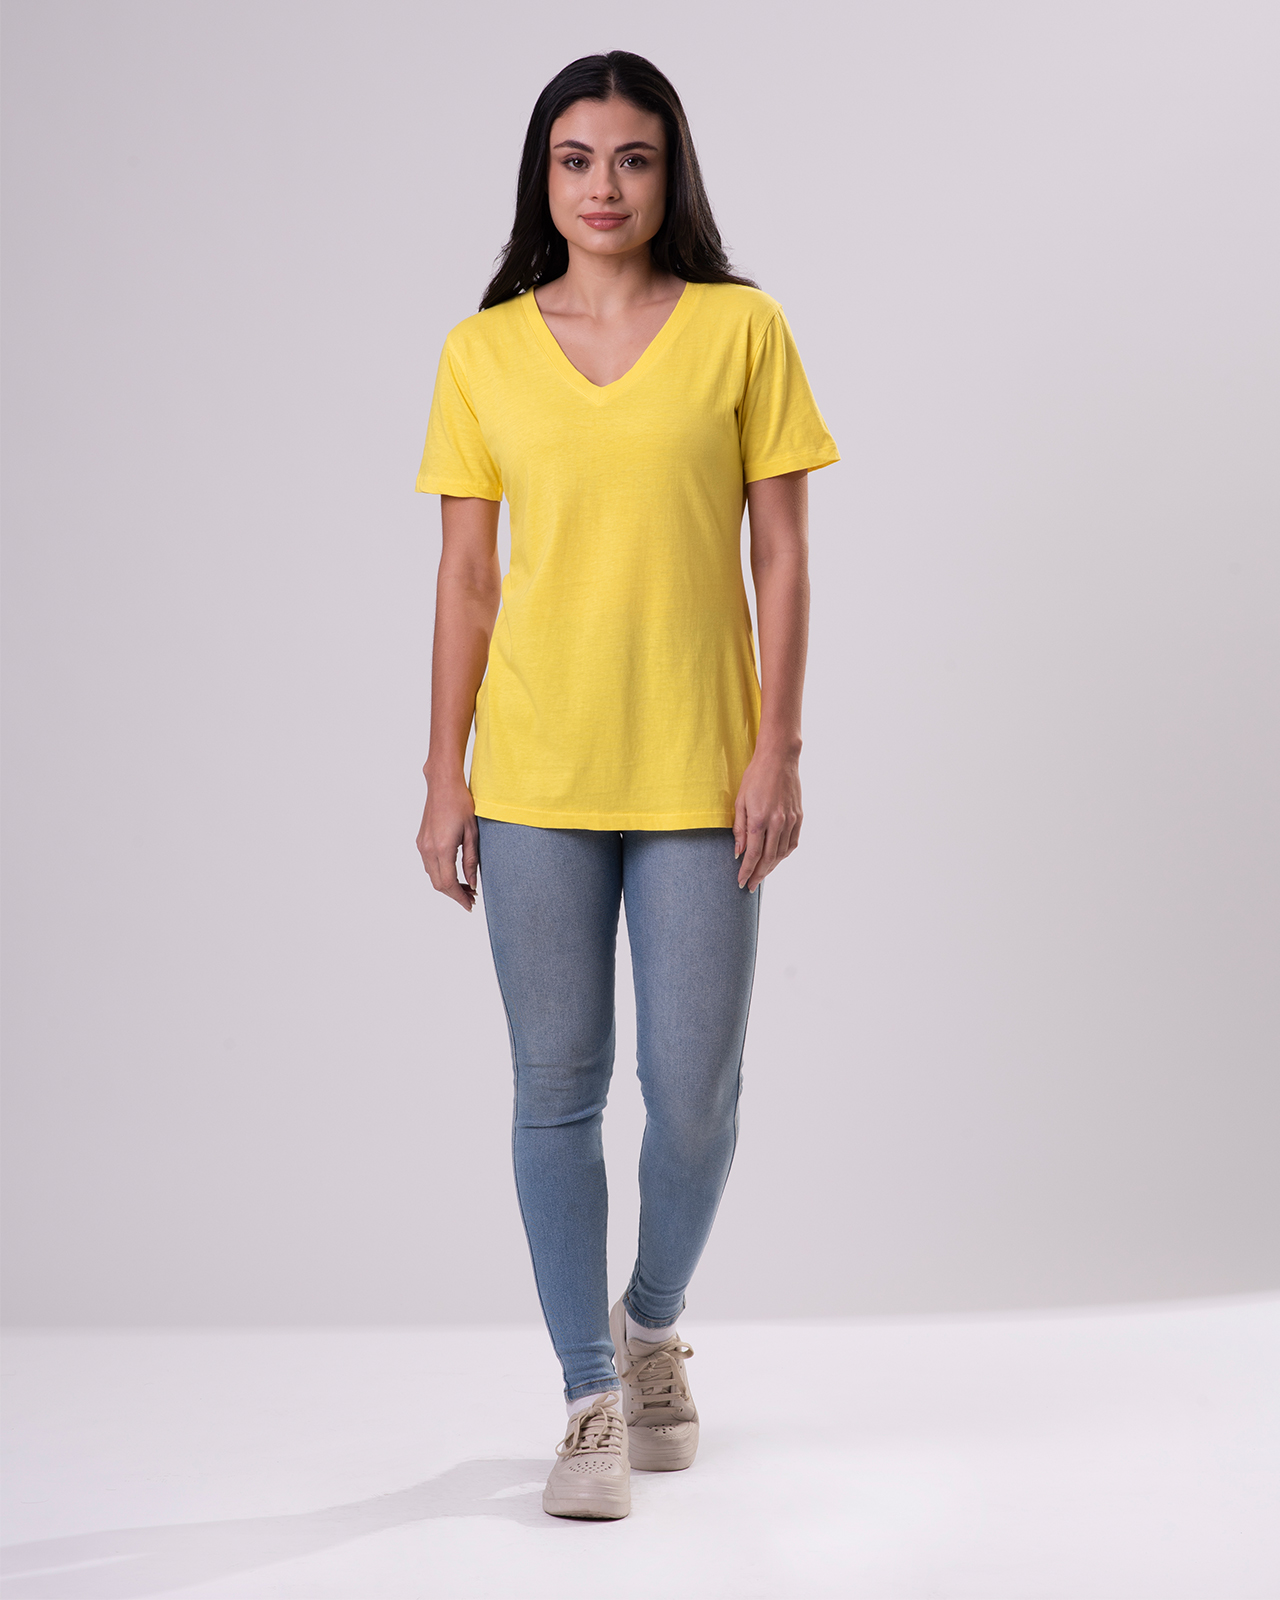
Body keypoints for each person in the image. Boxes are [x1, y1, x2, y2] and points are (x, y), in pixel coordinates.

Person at [415, 50, 838, 1521]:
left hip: (701, 771)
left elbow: (782, 554)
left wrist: (778, 747)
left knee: (696, 1095)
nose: (605, 187)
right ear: (544, 177)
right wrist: (443, 774)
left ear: (673, 174)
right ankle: (590, 1394)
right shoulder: (482, 353)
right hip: (534, 770)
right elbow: (467, 581)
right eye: (577, 159)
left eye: (634, 158)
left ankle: (652, 1319)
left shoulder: (742, 330)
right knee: (554, 1090)